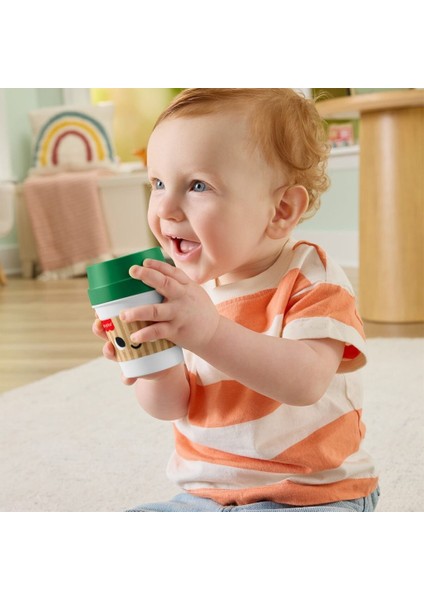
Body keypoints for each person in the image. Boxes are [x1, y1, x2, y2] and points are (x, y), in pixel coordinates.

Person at [93, 88, 379, 512]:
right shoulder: (184, 292)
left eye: (198, 185)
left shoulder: (311, 278)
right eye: (158, 183)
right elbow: (172, 406)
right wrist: (150, 362)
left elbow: (305, 383)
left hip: (309, 495)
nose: (166, 208)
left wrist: (208, 332)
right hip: (205, 495)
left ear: (280, 210)